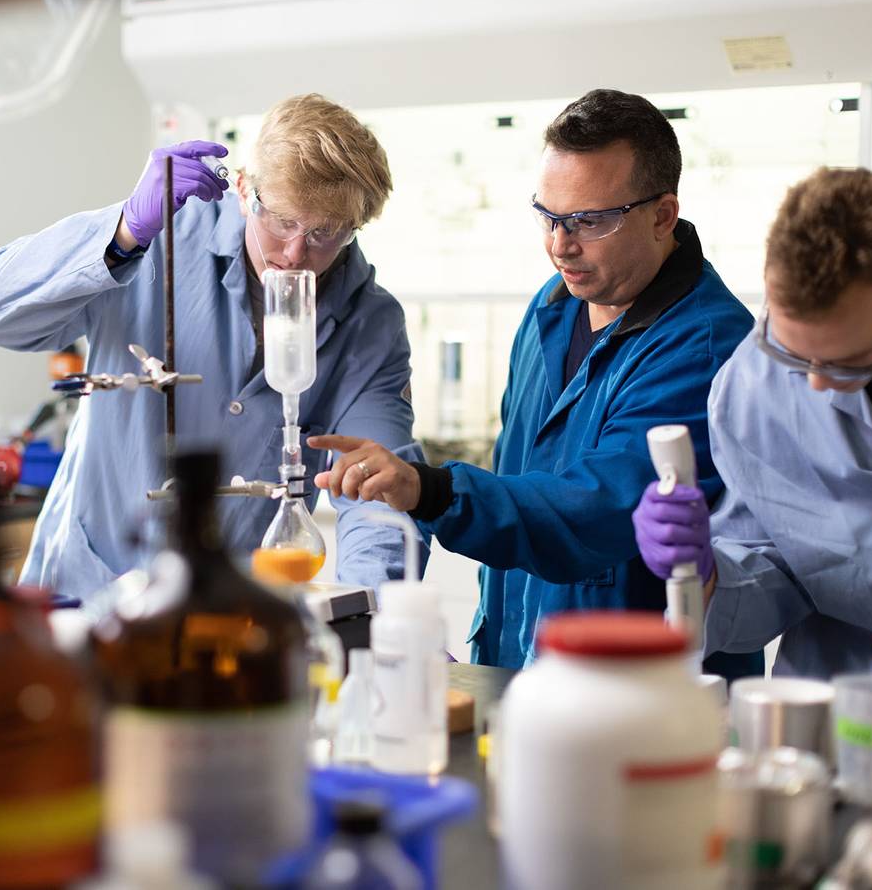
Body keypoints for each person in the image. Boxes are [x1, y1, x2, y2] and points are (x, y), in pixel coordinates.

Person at [310, 89, 757, 674]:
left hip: (632, 689)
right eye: (548, 216)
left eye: (588, 222)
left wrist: (433, 489)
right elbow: (520, 474)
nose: (559, 245)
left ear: (662, 216)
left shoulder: (705, 345)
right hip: (521, 662)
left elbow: (595, 512)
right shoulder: (553, 308)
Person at [0, 94, 425, 599]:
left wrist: (379, 615)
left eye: (325, 233)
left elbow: (376, 492)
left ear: (356, 226)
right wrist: (120, 234)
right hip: (89, 592)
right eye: (283, 221)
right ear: (246, 188)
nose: (296, 253)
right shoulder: (156, 239)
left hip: (223, 617)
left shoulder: (371, 324)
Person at [635, 167, 872, 678]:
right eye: (788, 351)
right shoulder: (750, 387)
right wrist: (708, 576)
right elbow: (785, 567)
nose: (814, 386)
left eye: (847, 362)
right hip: (843, 715)